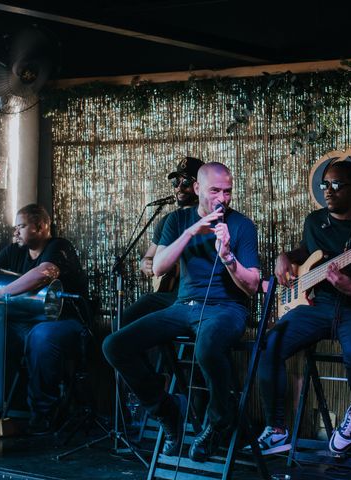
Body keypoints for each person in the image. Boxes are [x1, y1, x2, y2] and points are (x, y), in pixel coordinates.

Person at [103, 162, 260, 462]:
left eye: (227, 192)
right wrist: (190, 232)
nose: (222, 198)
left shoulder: (242, 226)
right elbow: (159, 267)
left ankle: (217, 422)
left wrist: (228, 258)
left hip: (226, 309)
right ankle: (166, 411)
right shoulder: (178, 220)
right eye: (215, 191)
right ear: (198, 189)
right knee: (114, 345)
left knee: (208, 346)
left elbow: (252, 287)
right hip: (183, 306)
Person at [256, 160, 351, 455]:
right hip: (317, 305)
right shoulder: (315, 221)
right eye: (325, 185)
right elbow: (307, 252)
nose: (328, 191)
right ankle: (277, 428)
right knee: (269, 345)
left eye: (336, 185)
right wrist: (285, 256)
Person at [0, 204, 90, 434]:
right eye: (15, 227)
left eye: (21, 226)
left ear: (40, 227)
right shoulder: (15, 251)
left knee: (42, 337)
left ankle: (43, 414)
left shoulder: (59, 247)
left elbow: (43, 273)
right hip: (26, 321)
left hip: (64, 321)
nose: (16, 232)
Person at [122, 156, 204, 325]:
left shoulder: (206, 219)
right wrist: (144, 263)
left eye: (186, 182)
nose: (179, 188)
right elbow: (148, 257)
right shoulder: (168, 220)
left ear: (199, 186)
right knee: (121, 322)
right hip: (165, 294)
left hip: (192, 296)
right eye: (176, 182)